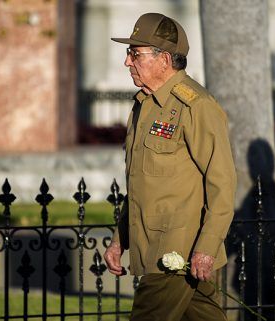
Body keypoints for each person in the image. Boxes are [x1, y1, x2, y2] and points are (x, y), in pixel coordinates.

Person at [103, 12, 236, 321]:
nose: (127, 62)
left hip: (177, 249)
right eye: (128, 53)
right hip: (156, 247)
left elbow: (223, 184)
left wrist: (206, 247)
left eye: (135, 54)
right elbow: (142, 184)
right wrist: (119, 239)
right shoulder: (144, 105)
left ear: (164, 59)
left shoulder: (197, 106)